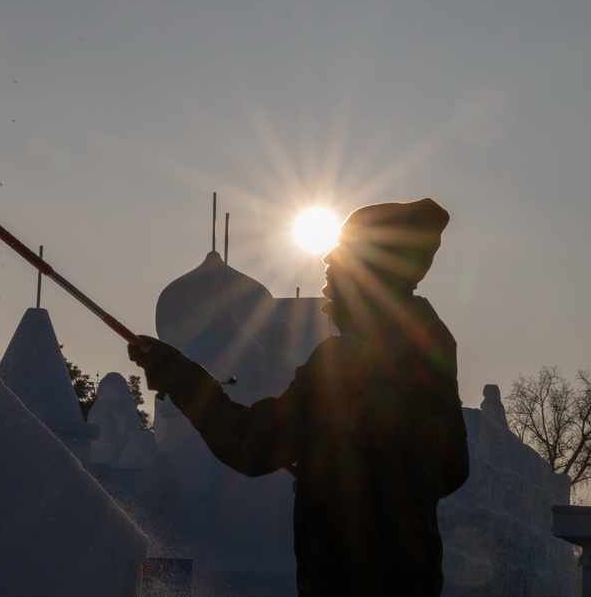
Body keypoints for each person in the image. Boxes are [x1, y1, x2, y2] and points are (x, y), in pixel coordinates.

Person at [128, 198, 469, 596]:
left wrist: (179, 375)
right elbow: (452, 468)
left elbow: (252, 444)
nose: (327, 260)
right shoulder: (429, 345)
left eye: (342, 252)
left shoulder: (348, 359)